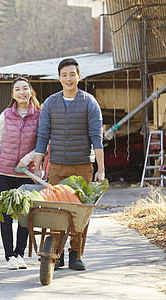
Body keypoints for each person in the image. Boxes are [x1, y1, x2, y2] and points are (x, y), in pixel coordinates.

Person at [33, 58, 105, 271]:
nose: (68, 78)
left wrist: (101, 169)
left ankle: (76, 254)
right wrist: (37, 165)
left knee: (80, 212)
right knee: (55, 211)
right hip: (57, 166)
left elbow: (97, 138)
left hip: (82, 166)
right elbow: (42, 136)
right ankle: (57, 253)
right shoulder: (50, 103)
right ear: (59, 78)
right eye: (64, 75)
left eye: (72, 74)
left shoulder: (89, 102)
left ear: (79, 76)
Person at [0, 77, 41, 270]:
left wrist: (27, 159)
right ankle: (9, 256)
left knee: (25, 216)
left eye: (25, 88)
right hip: (4, 171)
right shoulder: (6, 114)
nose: (21, 92)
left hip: (27, 173)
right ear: (13, 95)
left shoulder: (39, 115)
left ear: (30, 91)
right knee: (6, 215)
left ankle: (20, 254)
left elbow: (43, 143)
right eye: (17, 89)